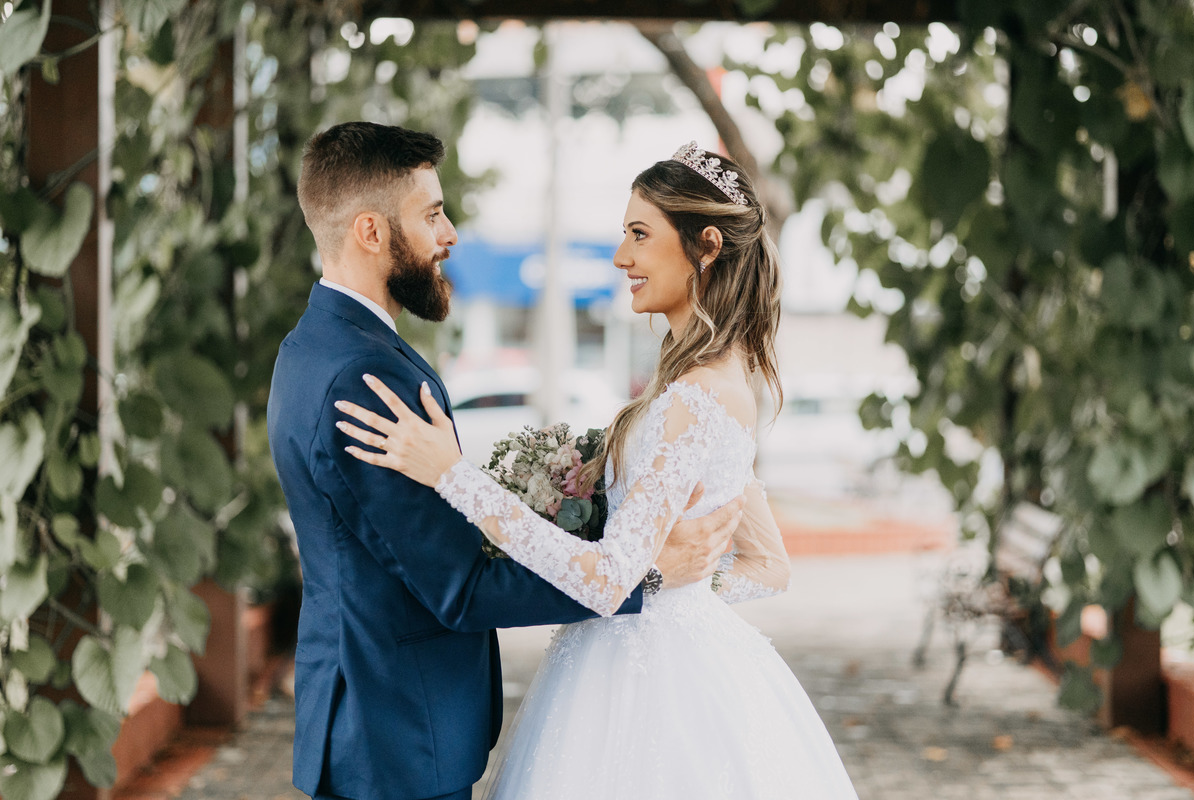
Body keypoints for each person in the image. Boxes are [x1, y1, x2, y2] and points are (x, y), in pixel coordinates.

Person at [338, 142, 861, 799]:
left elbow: (612, 579)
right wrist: (680, 588)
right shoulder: (723, 381)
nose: (621, 257)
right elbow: (769, 565)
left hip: (645, 689)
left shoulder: (695, 398)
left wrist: (453, 476)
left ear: (705, 247)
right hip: (678, 654)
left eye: (639, 235)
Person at [266, 123, 744, 800]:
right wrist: (645, 575)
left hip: (368, 717)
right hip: (395, 734)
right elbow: (459, 588)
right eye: (432, 215)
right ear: (370, 231)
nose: (450, 234)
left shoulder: (312, 347)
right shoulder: (366, 378)